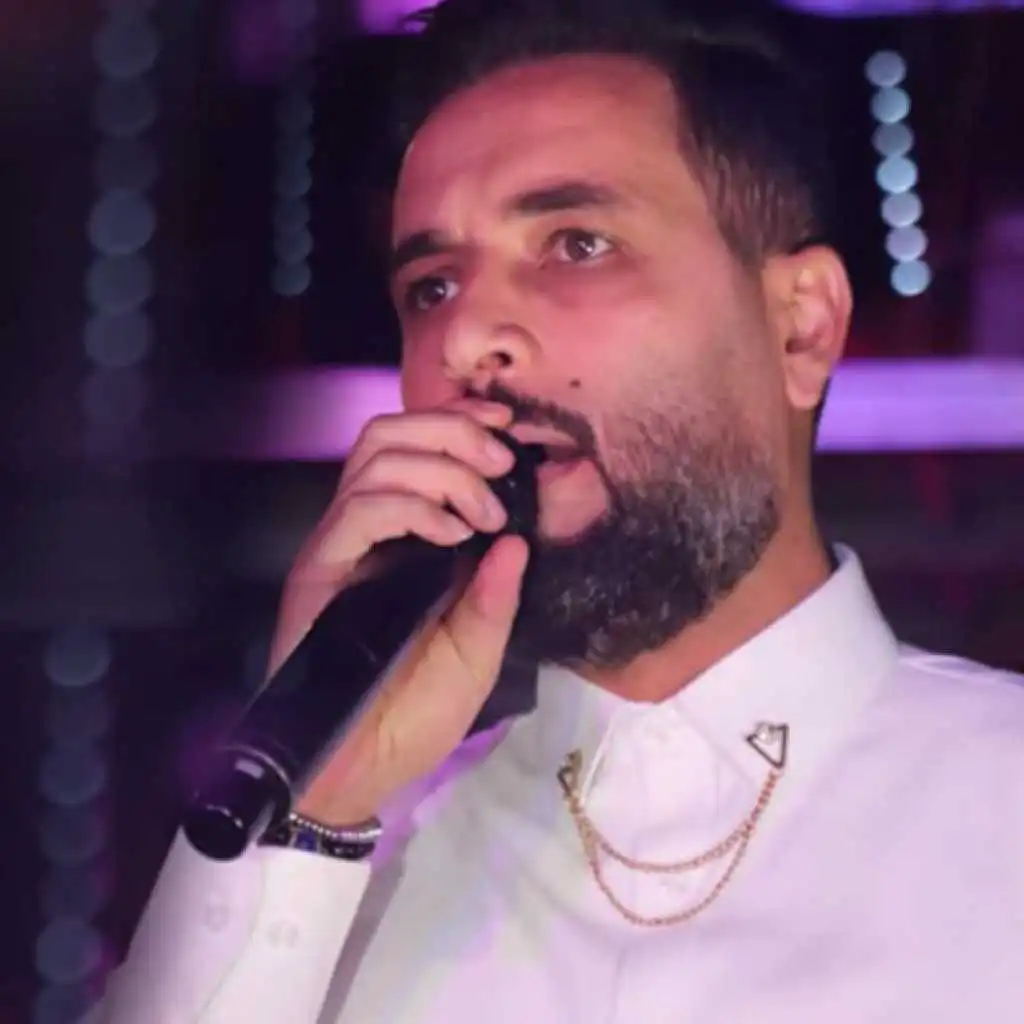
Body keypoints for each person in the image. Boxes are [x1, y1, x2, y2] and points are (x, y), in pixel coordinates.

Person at [91, 1, 1024, 1021]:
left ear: (800, 327)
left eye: (576, 245)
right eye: (432, 286)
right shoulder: (326, 870)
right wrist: (315, 804)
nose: (465, 340)